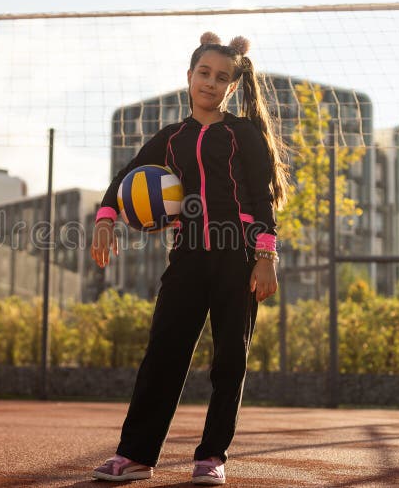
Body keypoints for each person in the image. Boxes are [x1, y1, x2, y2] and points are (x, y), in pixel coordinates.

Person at [90, 32, 290, 485]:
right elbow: (126, 177)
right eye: (204, 73)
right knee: (163, 353)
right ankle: (136, 455)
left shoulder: (243, 134)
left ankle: (212, 456)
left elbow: (261, 198)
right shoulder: (171, 137)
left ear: (232, 87)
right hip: (187, 257)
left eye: (222, 78)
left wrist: (266, 256)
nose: (211, 83)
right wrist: (106, 219)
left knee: (229, 361)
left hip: (237, 257)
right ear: (189, 76)